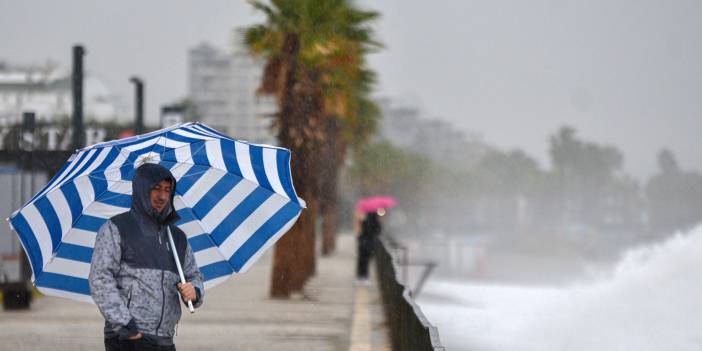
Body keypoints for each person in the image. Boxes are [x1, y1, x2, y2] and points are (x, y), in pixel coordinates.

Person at [89, 163, 204, 351]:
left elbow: (193, 276)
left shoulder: (177, 238)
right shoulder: (117, 228)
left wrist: (195, 292)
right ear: (142, 190)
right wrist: (127, 327)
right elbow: (100, 278)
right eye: (156, 188)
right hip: (128, 339)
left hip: (165, 340)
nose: (162, 196)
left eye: (168, 190)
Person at [356, 210, 383, 281]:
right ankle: (364, 275)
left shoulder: (365, 221)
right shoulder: (376, 222)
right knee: (367, 259)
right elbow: (378, 231)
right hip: (370, 242)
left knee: (362, 259)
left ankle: (360, 275)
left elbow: (361, 230)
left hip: (363, 242)